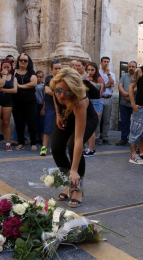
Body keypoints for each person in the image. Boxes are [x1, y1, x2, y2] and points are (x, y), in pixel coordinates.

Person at [50, 68, 99, 207]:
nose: (61, 95)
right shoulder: (57, 87)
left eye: (67, 92)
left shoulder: (80, 101)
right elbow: (55, 98)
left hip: (87, 119)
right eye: (59, 90)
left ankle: (78, 188)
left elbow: (78, 140)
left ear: (74, 91)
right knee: (56, 148)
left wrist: (73, 169)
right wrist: (58, 115)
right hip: (66, 115)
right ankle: (69, 183)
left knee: (72, 146)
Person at [0, 59, 18, 151]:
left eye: (8, 67)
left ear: (11, 68)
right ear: (1, 67)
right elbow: (0, 83)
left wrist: (2, 89)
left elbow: (15, 90)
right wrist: (4, 75)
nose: (6, 68)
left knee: (6, 122)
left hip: (8, 101)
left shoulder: (14, 78)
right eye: (4, 67)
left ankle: (8, 143)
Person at [12, 53, 38, 151]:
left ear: (28, 62)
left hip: (30, 102)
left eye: (25, 60)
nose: (23, 62)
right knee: (19, 123)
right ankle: (21, 142)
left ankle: (33, 143)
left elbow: (34, 83)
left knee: (32, 123)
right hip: (17, 102)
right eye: (21, 60)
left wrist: (19, 86)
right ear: (18, 61)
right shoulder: (14, 72)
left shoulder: (31, 72)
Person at [40, 59, 62, 156]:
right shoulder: (49, 79)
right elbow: (47, 91)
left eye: (59, 68)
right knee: (48, 126)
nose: (58, 70)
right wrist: (59, 93)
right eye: (56, 68)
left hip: (61, 105)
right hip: (50, 105)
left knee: (58, 127)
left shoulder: (63, 79)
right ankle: (44, 147)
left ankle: (54, 147)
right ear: (51, 69)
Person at [83, 62, 104, 157]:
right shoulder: (86, 79)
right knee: (88, 126)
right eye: (89, 70)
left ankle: (92, 149)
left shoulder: (99, 79)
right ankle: (90, 147)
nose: (90, 72)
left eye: (92, 70)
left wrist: (88, 81)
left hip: (96, 103)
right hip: (88, 102)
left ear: (96, 70)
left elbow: (98, 91)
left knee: (91, 126)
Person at [116, 61, 137, 146]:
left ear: (136, 67)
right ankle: (124, 138)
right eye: (129, 67)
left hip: (134, 103)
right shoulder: (124, 76)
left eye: (133, 67)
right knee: (124, 121)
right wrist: (124, 93)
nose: (131, 68)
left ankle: (134, 139)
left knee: (135, 122)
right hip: (124, 103)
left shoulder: (138, 77)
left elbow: (138, 88)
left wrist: (129, 94)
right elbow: (120, 85)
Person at [97, 56, 116, 145]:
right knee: (98, 119)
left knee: (106, 119)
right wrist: (105, 85)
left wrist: (108, 75)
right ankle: (97, 137)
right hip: (99, 98)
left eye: (108, 62)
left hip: (108, 98)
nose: (106, 63)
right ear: (101, 63)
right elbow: (100, 85)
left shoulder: (111, 74)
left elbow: (112, 84)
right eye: (104, 61)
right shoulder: (97, 73)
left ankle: (105, 137)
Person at [35, 70, 45, 145]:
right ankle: (38, 138)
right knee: (37, 123)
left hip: (41, 105)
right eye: (37, 77)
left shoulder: (43, 86)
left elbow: (45, 98)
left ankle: (43, 138)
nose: (39, 78)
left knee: (42, 123)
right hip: (35, 105)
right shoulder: (33, 85)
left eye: (40, 77)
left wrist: (43, 109)